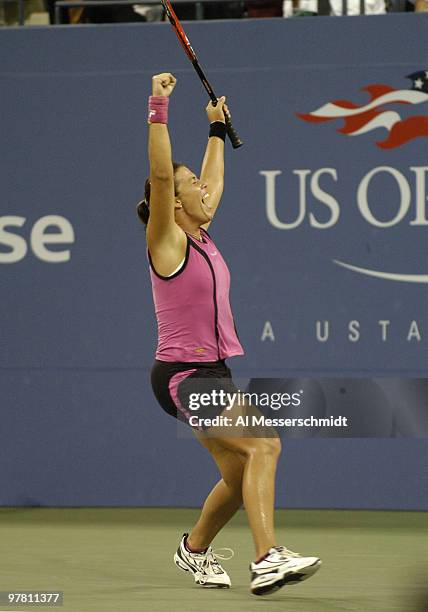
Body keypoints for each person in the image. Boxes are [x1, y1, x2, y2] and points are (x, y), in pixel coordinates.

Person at [138, 72, 322, 596]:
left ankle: (193, 550)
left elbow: (213, 186)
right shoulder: (166, 242)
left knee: (241, 479)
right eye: (189, 183)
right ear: (172, 201)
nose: (201, 186)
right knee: (265, 445)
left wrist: (216, 131)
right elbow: (162, 175)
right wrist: (159, 107)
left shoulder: (201, 233)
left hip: (213, 369)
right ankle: (267, 558)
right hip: (184, 373)